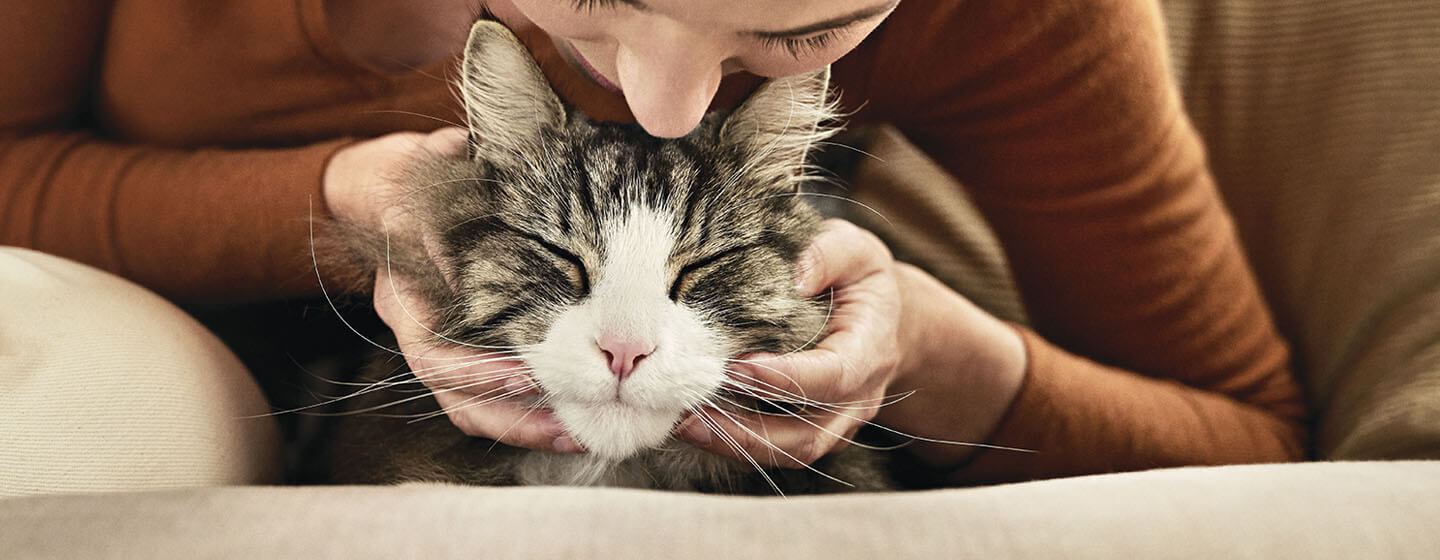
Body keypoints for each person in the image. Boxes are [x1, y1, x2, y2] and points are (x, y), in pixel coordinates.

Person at [0, 0, 1307, 486]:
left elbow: (1252, 437)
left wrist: (927, 347)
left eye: (809, 28)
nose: (670, 106)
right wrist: (339, 204)